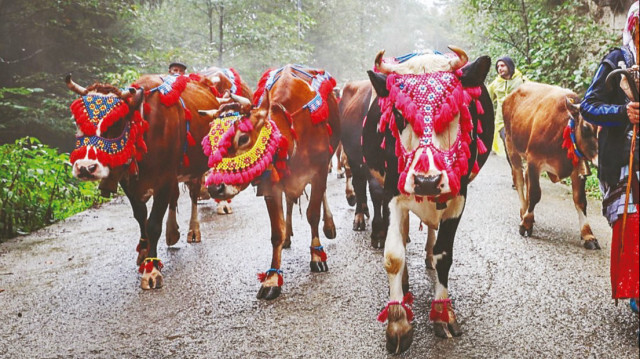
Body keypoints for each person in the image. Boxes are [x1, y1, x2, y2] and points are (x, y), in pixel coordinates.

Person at [580, 0, 639, 336]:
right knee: (635, 228)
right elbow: (589, 106)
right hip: (623, 161)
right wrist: (623, 113)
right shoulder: (617, 62)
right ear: (632, 29)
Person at [486, 56, 526, 158]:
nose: (500, 68)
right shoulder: (496, 83)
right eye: (498, 66)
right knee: (508, 147)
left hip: (520, 120)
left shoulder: (521, 81)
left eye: (502, 65)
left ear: (509, 66)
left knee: (521, 147)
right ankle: (515, 171)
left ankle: (522, 169)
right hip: (502, 122)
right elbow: (485, 96)